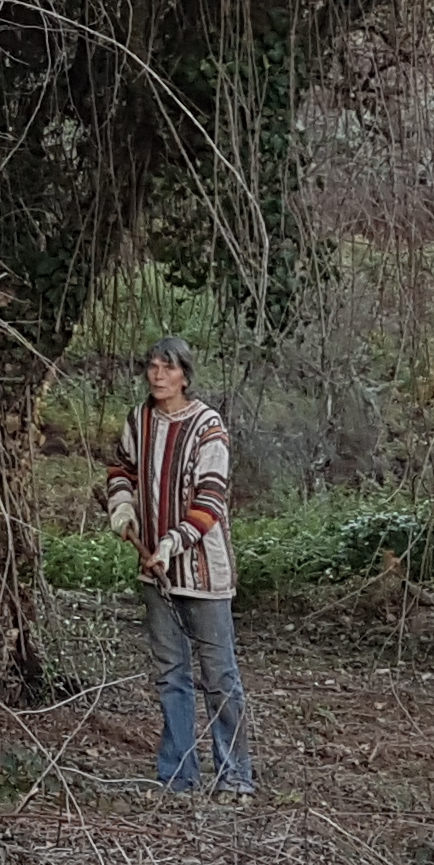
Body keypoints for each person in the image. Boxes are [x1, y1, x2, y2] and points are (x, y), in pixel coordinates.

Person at [104, 335, 251, 800]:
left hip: (204, 573)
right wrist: (122, 509)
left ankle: (235, 776)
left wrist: (172, 542)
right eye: (151, 367)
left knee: (220, 675)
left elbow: (210, 501)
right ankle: (178, 776)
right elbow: (120, 470)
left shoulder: (209, 427)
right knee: (171, 674)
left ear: (185, 374)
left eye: (167, 368)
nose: (158, 375)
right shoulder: (139, 420)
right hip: (154, 569)